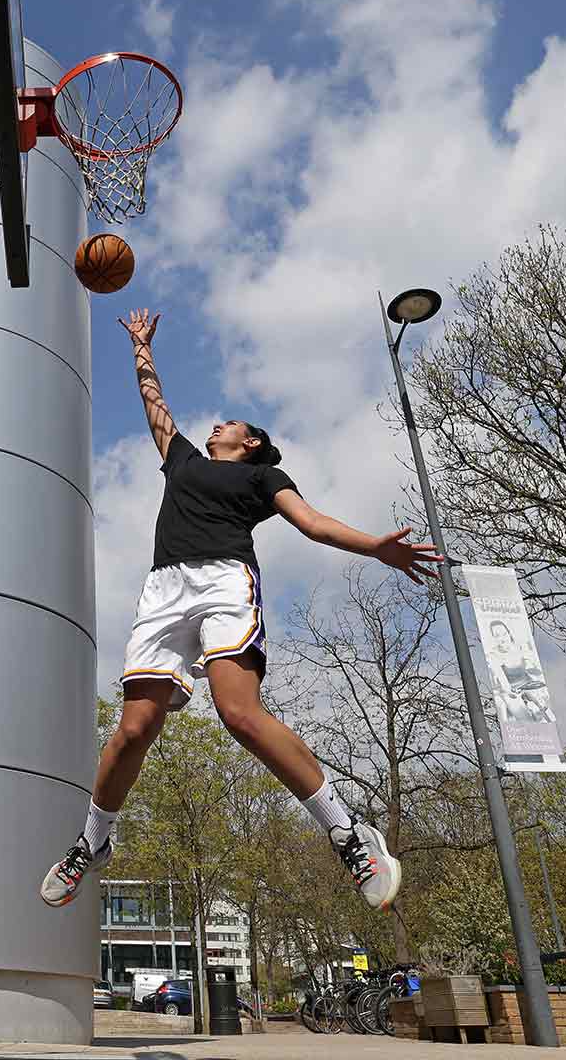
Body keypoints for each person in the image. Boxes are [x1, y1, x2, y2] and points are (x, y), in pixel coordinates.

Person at [39, 308, 441, 912]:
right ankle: (93, 841)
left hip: (226, 582)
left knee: (240, 716)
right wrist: (141, 349)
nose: (215, 425)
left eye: (228, 422)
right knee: (132, 731)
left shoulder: (263, 478)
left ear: (248, 441)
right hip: (163, 592)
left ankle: (348, 832)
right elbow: (156, 407)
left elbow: (313, 524)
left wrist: (376, 545)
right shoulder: (184, 463)